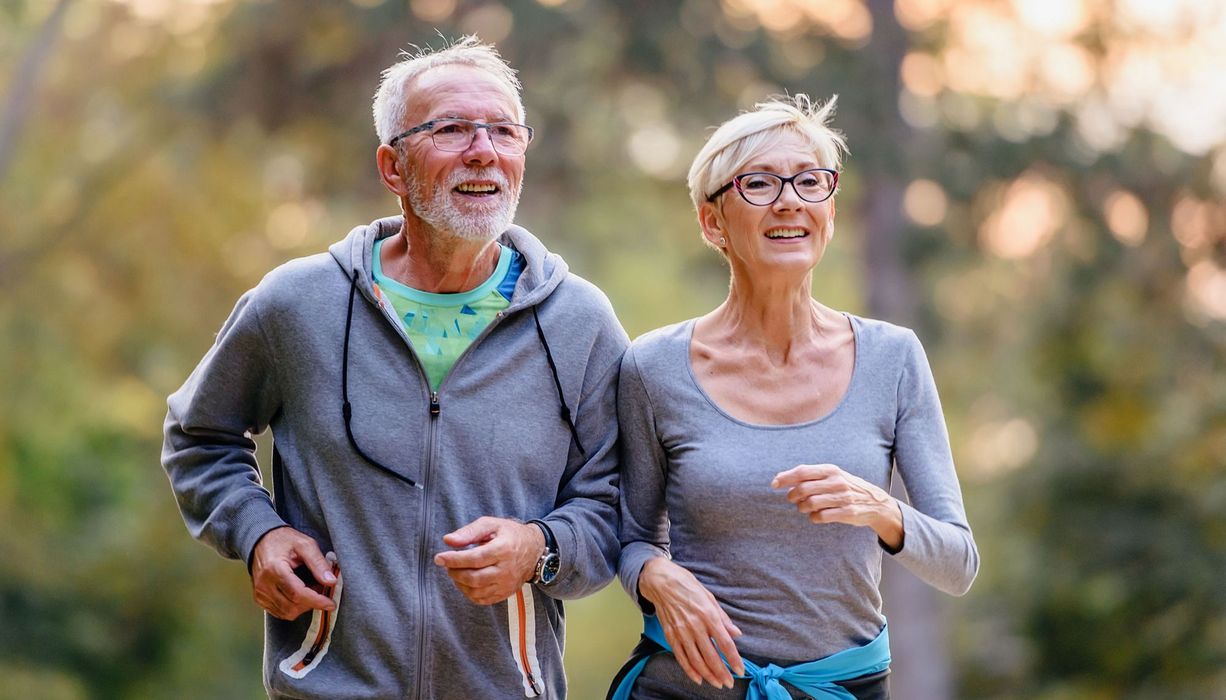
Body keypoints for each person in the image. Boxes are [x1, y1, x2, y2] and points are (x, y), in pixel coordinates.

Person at [162, 36, 628, 699]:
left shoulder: (577, 323)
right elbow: (199, 438)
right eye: (451, 130)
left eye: (503, 130)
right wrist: (260, 532)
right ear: (392, 165)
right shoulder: (297, 306)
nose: (483, 150)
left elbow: (622, 504)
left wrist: (539, 546)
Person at [608, 95, 979, 700]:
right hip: (684, 689)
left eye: (810, 182)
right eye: (758, 183)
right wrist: (656, 576)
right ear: (712, 222)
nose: (789, 200)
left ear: (829, 212)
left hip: (842, 688)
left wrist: (878, 508)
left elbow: (958, 562)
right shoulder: (653, 367)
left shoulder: (893, 358)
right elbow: (625, 536)